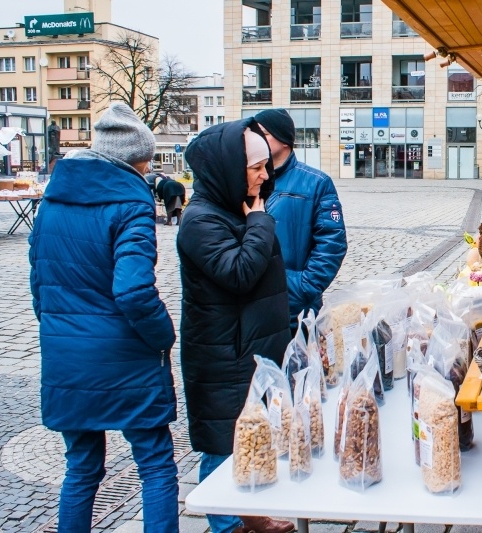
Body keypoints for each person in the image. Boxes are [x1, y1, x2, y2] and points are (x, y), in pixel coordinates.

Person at [28, 102, 179, 533]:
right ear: (136, 160)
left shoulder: (52, 200)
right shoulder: (131, 203)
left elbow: (39, 284)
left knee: (80, 467)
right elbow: (133, 290)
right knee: (154, 462)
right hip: (125, 356)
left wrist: (62, 330)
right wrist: (162, 335)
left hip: (66, 355)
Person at [177, 118, 294, 533]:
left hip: (248, 347)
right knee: (222, 441)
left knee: (249, 432)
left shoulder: (237, 206)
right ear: (227, 169)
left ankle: (249, 513)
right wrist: (260, 223)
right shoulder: (200, 220)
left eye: (266, 167)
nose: (264, 176)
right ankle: (227, 524)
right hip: (223, 353)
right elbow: (240, 272)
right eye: (255, 168)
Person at [254, 109, 347, 332]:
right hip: (254, 305)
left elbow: (332, 244)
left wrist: (301, 287)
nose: (256, 139)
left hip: (295, 308)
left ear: (284, 139)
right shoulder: (248, 179)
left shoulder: (316, 182)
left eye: (263, 134)